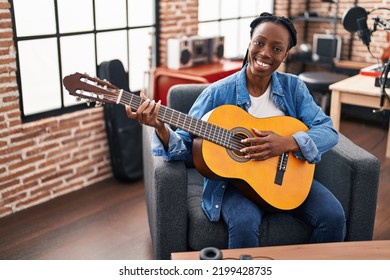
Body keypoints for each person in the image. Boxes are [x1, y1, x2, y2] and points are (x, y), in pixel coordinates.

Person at [126, 12, 346, 249]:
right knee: (244, 221)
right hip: (232, 184)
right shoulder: (217, 93)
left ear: (285, 54)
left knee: (334, 216)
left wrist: (287, 143)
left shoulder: (294, 88)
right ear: (250, 42)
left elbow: (328, 131)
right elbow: (187, 146)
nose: (264, 53)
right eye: (259, 43)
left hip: (287, 178)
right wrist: (160, 125)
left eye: (276, 48)